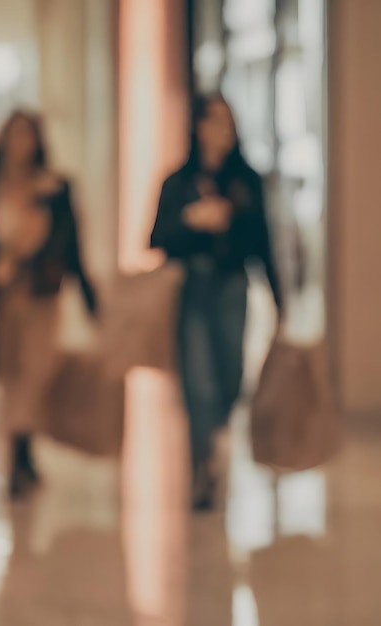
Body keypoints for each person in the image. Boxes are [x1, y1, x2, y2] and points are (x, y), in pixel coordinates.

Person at [150, 95, 282, 511]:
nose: (218, 131)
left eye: (225, 122)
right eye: (211, 122)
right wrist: (192, 221)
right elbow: (157, 237)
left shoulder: (246, 182)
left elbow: (262, 241)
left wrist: (282, 299)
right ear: (198, 127)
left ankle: (218, 444)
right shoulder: (177, 182)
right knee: (198, 382)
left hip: (231, 284)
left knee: (229, 376)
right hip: (192, 284)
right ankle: (201, 467)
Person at [0, 110, 97, 499]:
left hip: (43, 293)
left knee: (37, 374)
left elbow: (72, 245)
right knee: (11, 374)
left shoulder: (54, 188)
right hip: (5, 297)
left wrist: (91, 298)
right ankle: (17, 453)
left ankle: (23, 449)